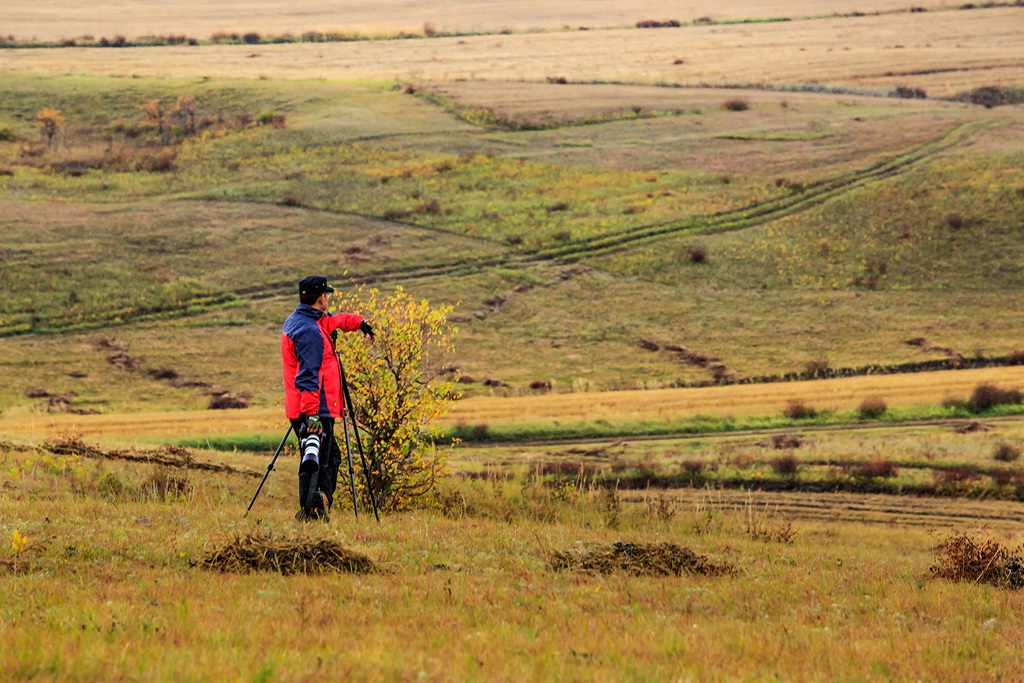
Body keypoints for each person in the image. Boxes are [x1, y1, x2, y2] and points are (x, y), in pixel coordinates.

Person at [281, 275, 375, 521]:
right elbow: (308, 377)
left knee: (326, 456)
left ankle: (317, 503)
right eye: (327, 295)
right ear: (321, 298)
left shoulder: (302, 320)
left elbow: (337, 319)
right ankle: (312, 510)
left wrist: (361, 324)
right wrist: (312, 417)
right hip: (314, 406)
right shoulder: (310, 332)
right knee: (317, 458)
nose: (328, 299)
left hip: (311, 404)